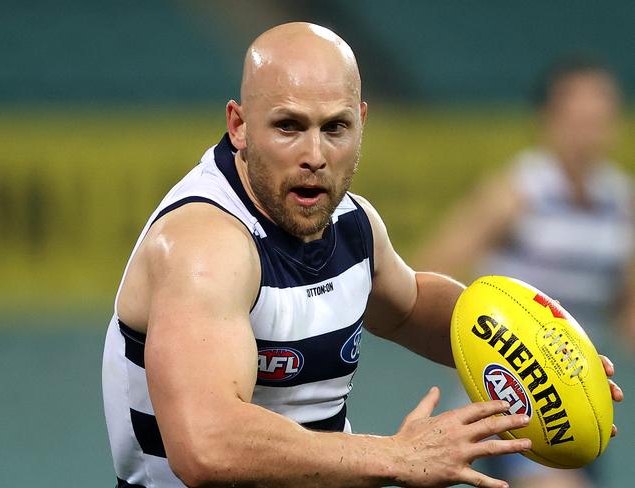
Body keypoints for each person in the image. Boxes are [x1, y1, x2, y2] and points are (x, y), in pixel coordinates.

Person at [102, 25, 622, 488]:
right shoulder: (206, 244)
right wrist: (397, 456)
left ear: (361, 122)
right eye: (288, 126)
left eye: (335, 127)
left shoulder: (353, 224)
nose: (315, 154)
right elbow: (206, 447)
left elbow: (411, 306)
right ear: (239, 125)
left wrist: (540, 358)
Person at [415, 57, 631, 487]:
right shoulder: (518, 191)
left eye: (599, 115)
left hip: (584, 399)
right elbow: (427, 271)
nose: (589, 127)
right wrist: (489, 340)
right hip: (517, 399)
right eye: (578, 115)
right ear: (549, 119)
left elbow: (626, 305)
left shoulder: (620, 200)